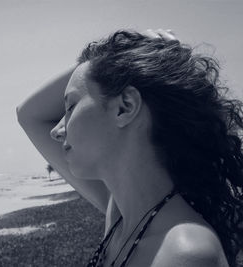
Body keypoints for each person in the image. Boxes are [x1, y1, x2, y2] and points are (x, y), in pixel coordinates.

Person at [17, 29, 243, 267]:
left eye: (71, 106)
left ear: (124, 107)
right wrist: (118, 58)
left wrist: (114, 61)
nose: (56, 130)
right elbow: (27, 114)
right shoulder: (122, 214)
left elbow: (30, 116)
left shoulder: (184, 252)